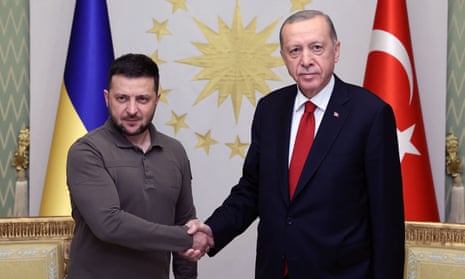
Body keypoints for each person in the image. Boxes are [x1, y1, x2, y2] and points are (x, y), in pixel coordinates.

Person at [185, 10, 405, 279]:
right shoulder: (269, 110)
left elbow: (387, 220)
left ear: (335, 51)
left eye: (316, 48)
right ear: (283, 57)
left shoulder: (370, 114)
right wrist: (213, 230)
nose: (306, 61)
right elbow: (253, 189)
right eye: (295, 51)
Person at [66, 53, 212, 279]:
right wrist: (185, 237)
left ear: (157, 99)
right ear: (107, 98)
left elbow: (185, 223)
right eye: (122, 98)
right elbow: (109, 224)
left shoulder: (175, 151)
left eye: (142, 99)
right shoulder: (86, 152)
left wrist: (188, 243)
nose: (132, 110)